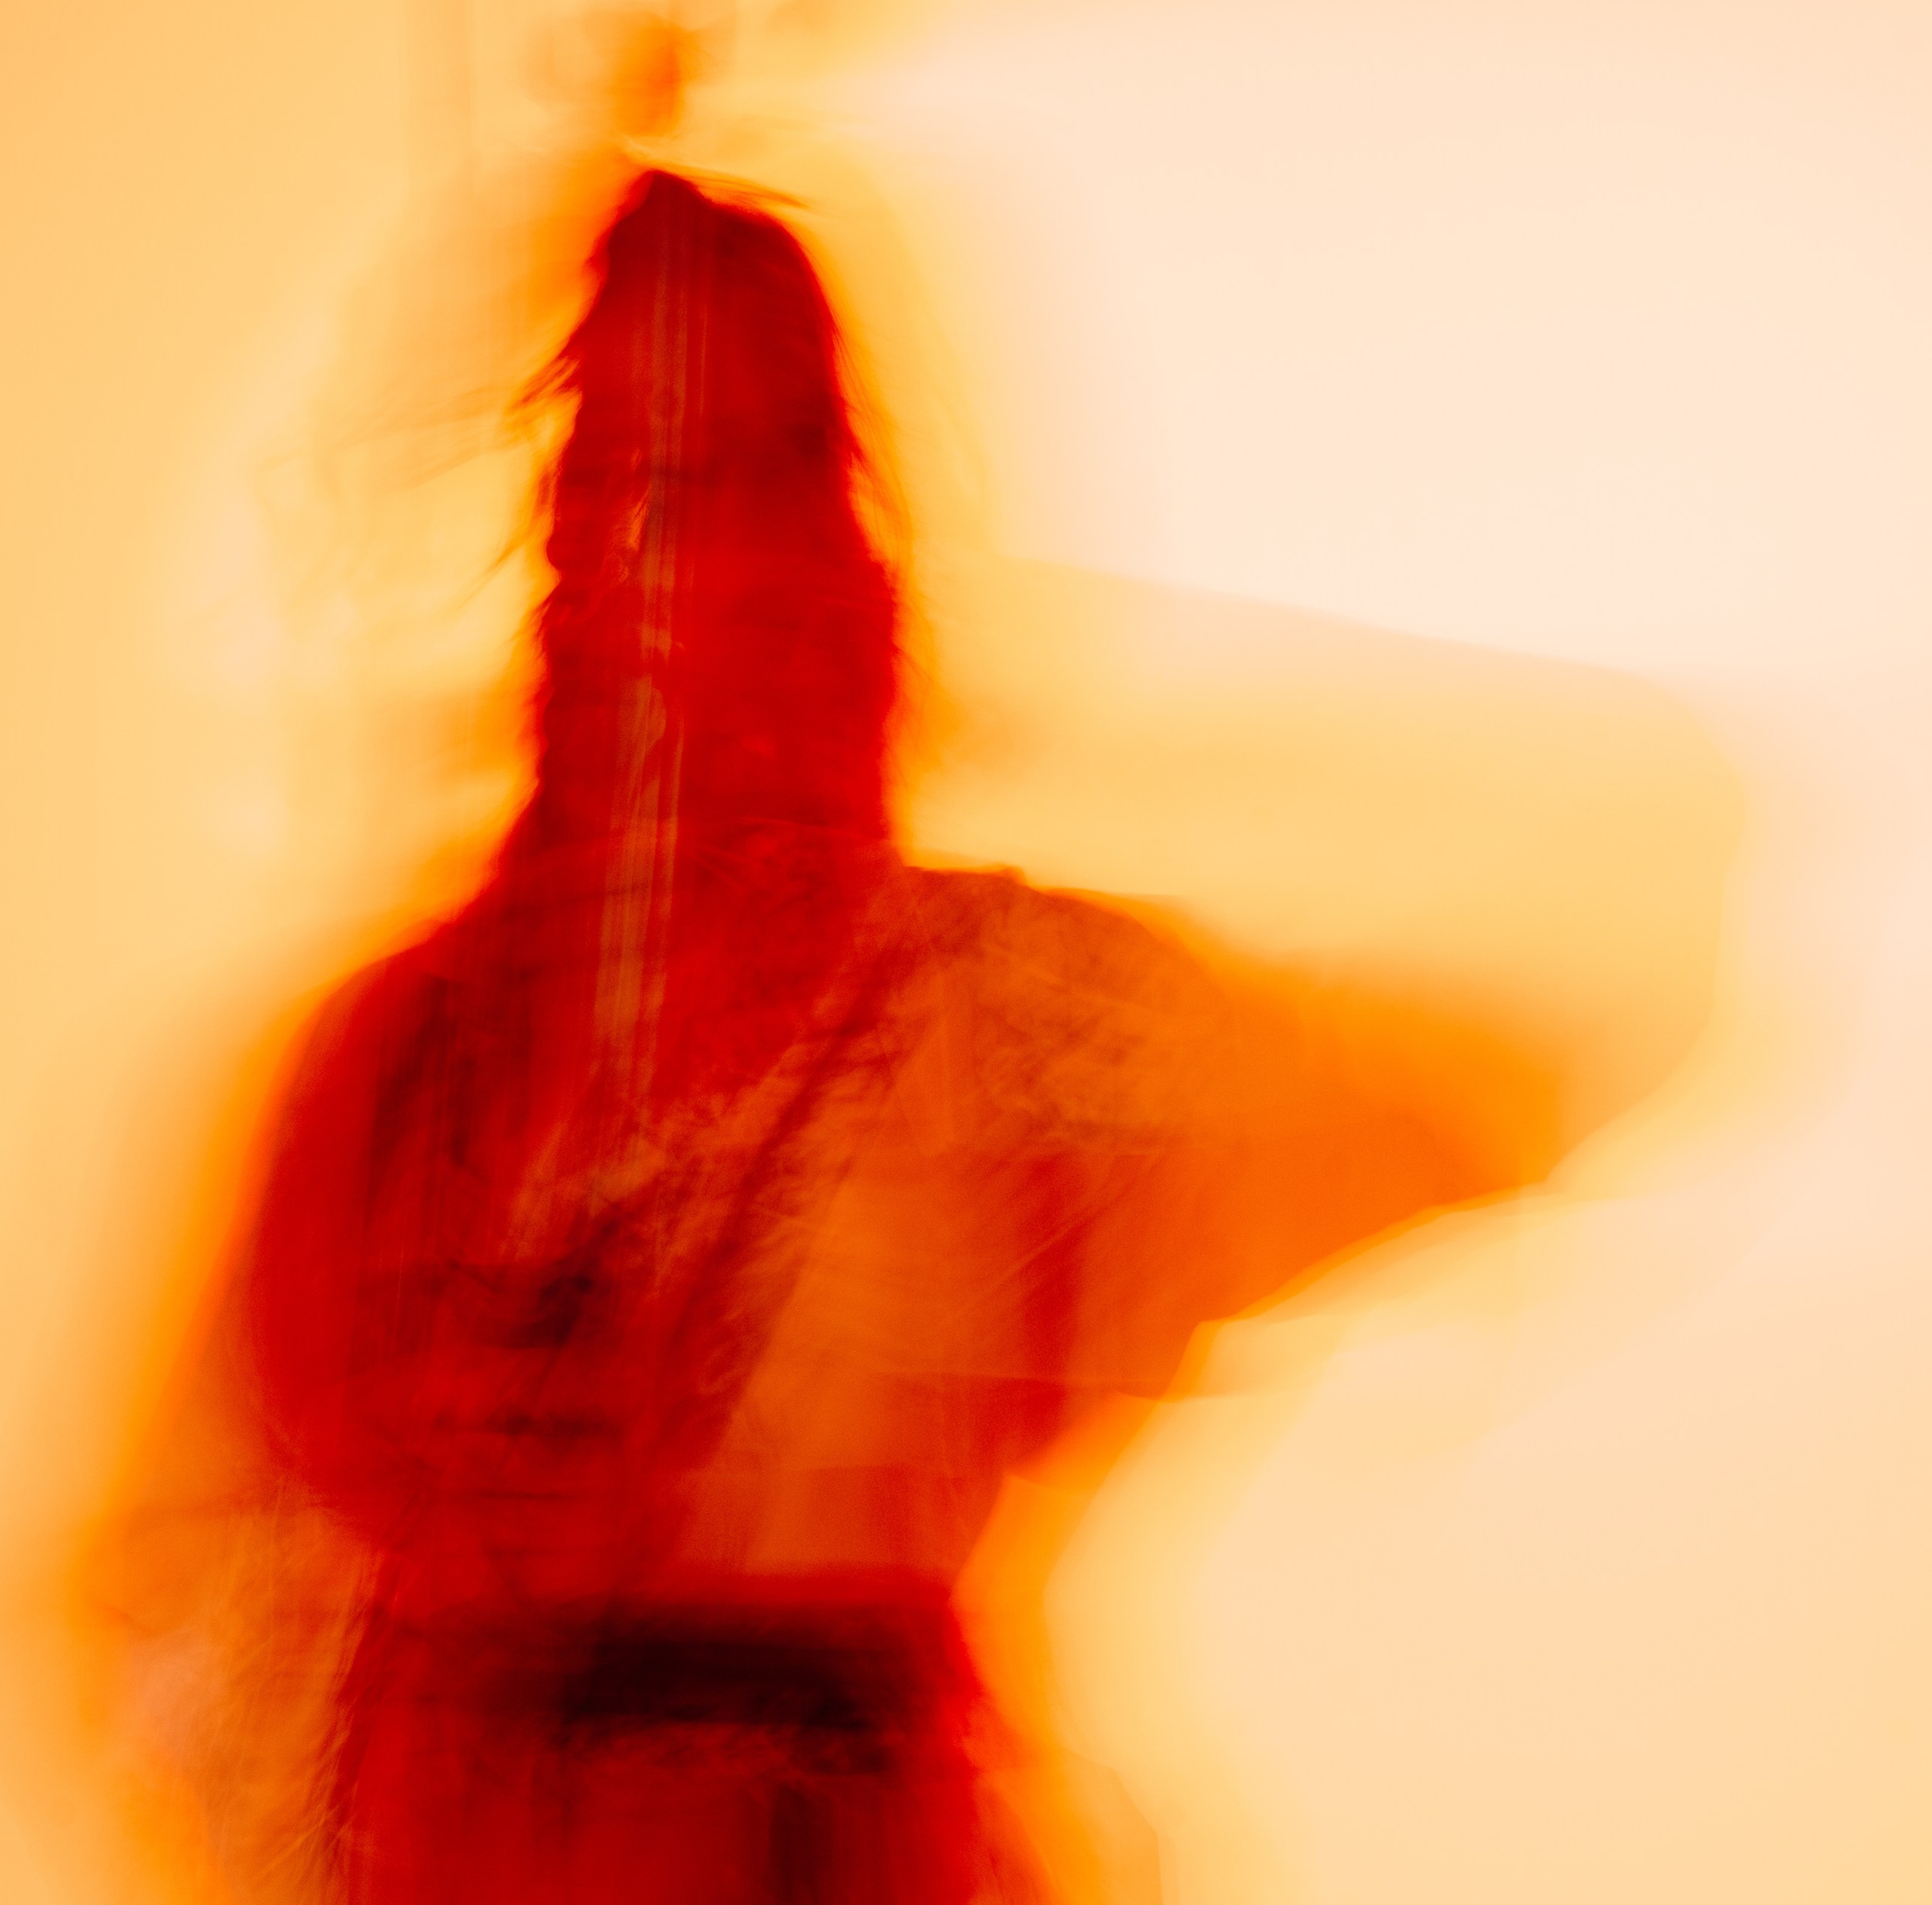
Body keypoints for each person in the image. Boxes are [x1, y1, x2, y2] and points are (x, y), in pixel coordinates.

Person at [117, 165, 1556, 1905]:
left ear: (845, 533)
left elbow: (1513, 1049)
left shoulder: (994, 1011)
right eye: (630, 479)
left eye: (765, 476)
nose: (686, 561)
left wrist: (1027, 1272)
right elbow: (168, 1586)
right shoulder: (392, 1064)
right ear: (557, 533)